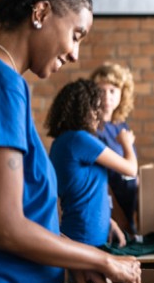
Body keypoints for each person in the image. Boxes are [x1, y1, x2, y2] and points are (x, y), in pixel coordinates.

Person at [0, 0, 141, 283]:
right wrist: (103, 260)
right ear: (40, 12)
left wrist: (74, 258)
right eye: (76, 34)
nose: (75, 55)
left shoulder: (9, 84)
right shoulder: (2, 84)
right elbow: (5, 226)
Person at [45, 78, 138, 248]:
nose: (100, 114)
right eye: (96, 108)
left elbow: (83, 192)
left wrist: (109, 221)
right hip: (86, 238)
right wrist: (127, 143)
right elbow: (131, 169)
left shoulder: (62, 141)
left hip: (84, 232)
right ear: (85, 110)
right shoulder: (80, 139)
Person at [90, 63, 139, 236]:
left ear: (122, 94)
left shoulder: (120, 125)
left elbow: (132, 171)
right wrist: (119, 219)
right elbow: (101, 179)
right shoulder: (93, 128)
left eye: (112, 91)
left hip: (129, 206)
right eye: (101, 91)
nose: (106, 97)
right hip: (112, 212)